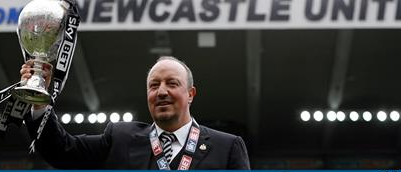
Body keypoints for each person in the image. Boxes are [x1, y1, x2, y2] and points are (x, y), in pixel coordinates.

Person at [22, 56, 250, 169]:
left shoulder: (227, 147)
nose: (161, 92)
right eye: (154, 85)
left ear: (190, 94)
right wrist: (39, 98)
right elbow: (61, 151)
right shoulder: (120, 138)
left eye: (172, 83)